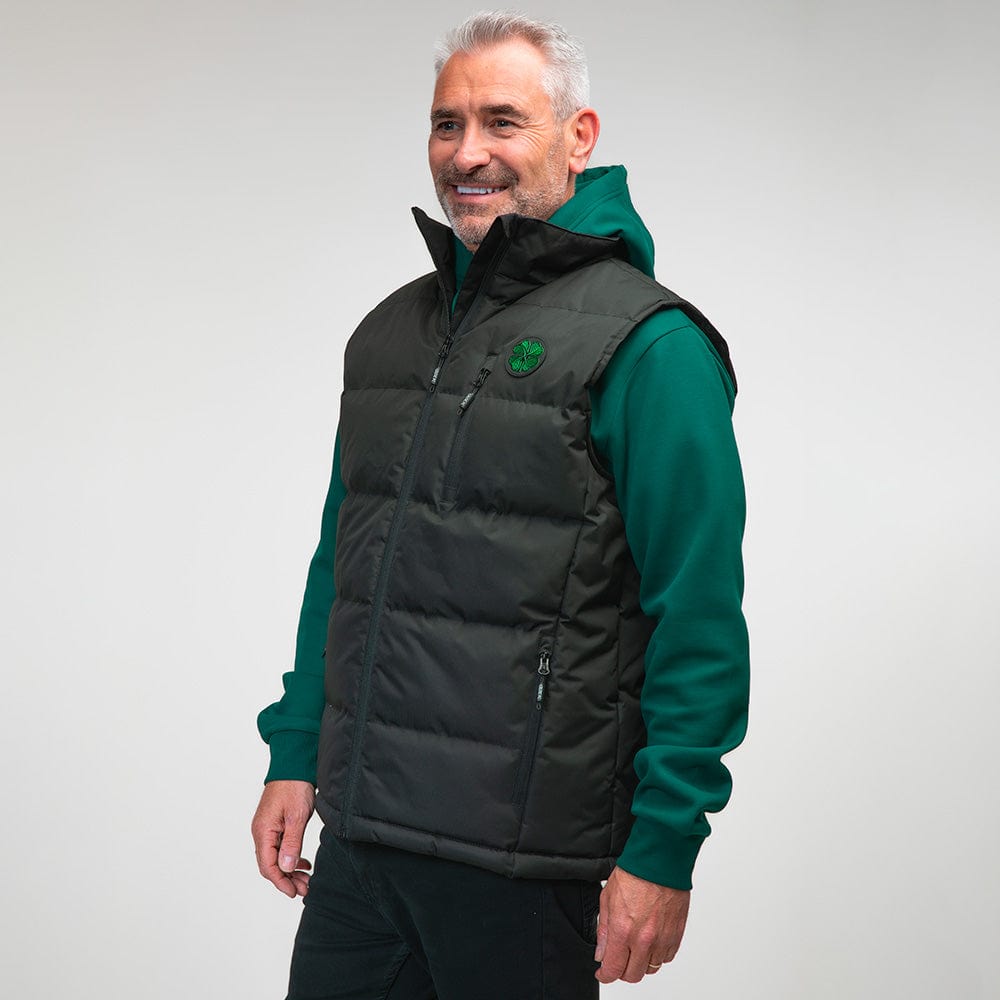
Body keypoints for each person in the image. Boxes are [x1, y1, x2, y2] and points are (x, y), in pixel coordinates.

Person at [252, 11, 749, 998]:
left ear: (578, 136)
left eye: (502, 122)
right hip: (362, 846)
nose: (467, 152)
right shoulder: (390, 335)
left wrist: (663, 847)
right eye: (448, 124)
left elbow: (696, 614)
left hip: (524, 862)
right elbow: (340, 567)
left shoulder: (650, 347)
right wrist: (295, 748)